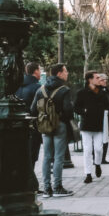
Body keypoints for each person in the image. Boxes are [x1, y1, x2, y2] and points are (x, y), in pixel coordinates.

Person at [30, 63, 74, 198]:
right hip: (59, 125)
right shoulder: (64, 90)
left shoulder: (41, 89)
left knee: (47, 157)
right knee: (59, 157)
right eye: (66, 71)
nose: (67, 74)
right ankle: (58, 187)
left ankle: (47, 188)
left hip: (45, 126)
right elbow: (68, 111)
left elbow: (32, 109)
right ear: (59, 73)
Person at [75, 71, 109, 184]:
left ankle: (98, 164)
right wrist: (84, 111)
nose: (99, 79)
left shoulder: (103, 92)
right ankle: (88, 174)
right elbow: (76, 107)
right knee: (87, 150)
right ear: (90, 80)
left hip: (99, 125)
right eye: (97, 77)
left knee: (99, 149)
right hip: (86, 125)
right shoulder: (82, 92)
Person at [15, 62, 44, 164]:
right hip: (33, 126)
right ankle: (29, 178)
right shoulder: (38, 87)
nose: (40, 72)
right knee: (32, 155)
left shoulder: (17, 86)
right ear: (35, 71)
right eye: (39, 70)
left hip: (17, 125)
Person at [98, 73, 109, 165]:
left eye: (105, 80)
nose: (105, 82)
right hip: (100, 117)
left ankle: (103, 158)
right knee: (99, 139)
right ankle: (97, 157)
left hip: (107, 116)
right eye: (102, 80)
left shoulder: (107, 90)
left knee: (106, 138)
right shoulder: (97, 90)